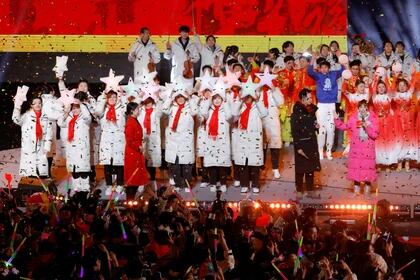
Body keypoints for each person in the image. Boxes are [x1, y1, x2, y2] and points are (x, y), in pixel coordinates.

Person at [334, 100, 379, 195]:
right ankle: (356, 190)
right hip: (356, 148)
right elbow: (344, 126)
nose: (362, 109)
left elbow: (374, 135)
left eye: (364, 107)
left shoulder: (373, 119)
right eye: (360, 107)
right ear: (358, 108)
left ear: (367, 107)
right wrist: (337, 120)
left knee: (367, 168)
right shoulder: (353, 118)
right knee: (356, 168)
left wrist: (367, 126)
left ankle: (367, 190)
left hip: (367, 148)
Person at [231, 77, 268, 194]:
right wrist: (240, 100)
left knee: (254, 164)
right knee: (244, 164)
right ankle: (245, 184)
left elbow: (264, 113)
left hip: (254, 140)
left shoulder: (256, 107)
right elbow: (233, 113)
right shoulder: (240, 107)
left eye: (249, 96)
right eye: (246, 96)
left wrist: (257, 100)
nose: (248, 99)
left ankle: (255, 184)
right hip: (242, 138)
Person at [162, 80, 199, 192]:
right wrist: (170, 97)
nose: (180, 99)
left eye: (182, 97)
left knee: (186, 164)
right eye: (178, 97)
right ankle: (178, 184)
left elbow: (195, 111)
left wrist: (190, 97)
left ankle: (187, 184)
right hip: (174, 140)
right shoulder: (172, 107)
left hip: (186, 140)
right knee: (176, 164)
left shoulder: (189, 107)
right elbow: (164, 109)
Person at [308, 58, 345, 160]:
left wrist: (340, 58)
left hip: (331, 105)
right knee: (321, 129)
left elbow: (343, 70)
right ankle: (320, 151)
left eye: (326, 67)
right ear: (319, 69)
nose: (324, 69)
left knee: (331, 129)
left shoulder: (333, 74)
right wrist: (313, 58)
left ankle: (328, 151)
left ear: (329, 68)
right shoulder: (318, 75)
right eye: (322, 67)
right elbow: (309, 71)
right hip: (321, 106)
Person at [199, 78, 232, 192]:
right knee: (212, 163)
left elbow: (229, 116)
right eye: (215, 98)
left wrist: (226, 101)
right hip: (211, 140)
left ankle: (223, 183)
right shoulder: (209, 110)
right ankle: (213, 183)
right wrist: (209, 100)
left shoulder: (225, 109)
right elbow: (202, 112)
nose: (217, 101)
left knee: (222, 163)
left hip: (222, 140)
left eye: (219, 98)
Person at [12, 92, 53, 177]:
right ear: (31, 105)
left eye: (39, 103)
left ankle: (41, 187)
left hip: (41, 146)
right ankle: (30, 189)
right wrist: (17, 107)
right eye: (35, 103)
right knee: (30, 172)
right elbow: (16, 120)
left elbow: (49, 132)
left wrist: (47, 146)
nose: (37, 105)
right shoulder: (27, 116)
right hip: (29, 146)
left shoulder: (45, 117)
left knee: (41, 171)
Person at [290, 89, 321, 198]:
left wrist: (316, 127)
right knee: (300, 168)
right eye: (309, 98)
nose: (311, 100)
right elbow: (294, 131)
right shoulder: (296, 113)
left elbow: (313, 123)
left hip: (311, 142)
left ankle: (310, 189)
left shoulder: (311, 110)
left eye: (311, 98)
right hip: (301, 144)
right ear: (303, 99)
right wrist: (298, 146)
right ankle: (299, 189)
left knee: (310, 168)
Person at [57, 98, 92, 196]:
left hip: (82, 149)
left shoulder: (84, 119)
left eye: (77, 108)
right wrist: (66, 111)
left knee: (83, 170)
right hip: (72, 149)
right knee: (75, 170)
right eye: (73, 108)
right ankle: (76, 189)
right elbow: (60, 122)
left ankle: (85, 189)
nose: (75, 110)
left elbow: (88, 116)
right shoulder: (68, 119)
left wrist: (81, 104)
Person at [257, 61, 285, 179]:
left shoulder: (275, 89)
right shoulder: (258, 90)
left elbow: (281, 102)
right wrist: (258, 87)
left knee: (275, 143)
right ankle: (261, 167)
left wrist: (273, 89)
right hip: (261, 120)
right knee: (261, 144)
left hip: (273, 120)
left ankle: (275, 168)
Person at [95, 90, 126, 195]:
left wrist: (123, 97)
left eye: (114, 97)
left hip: (119, 139)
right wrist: (103, 99)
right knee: (107, 163)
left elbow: (127, 109)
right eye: (110, 97)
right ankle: (109, 184)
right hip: (106, 140)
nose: (112, 99)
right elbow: (97, 111)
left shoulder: (121, 108)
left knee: (119, 163)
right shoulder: (104, 109)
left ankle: (120, 184)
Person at [371, 80, 401, 172]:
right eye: (379, 87)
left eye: (383, 87)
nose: (381, 88)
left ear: (385, 88)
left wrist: (385, 76)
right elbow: (372, 88)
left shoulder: (388, 97)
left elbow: (390, 88)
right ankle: (379, 163)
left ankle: (388, 164)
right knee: (378, 143)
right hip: (377, 122)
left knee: (388, 143)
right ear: (376, 88)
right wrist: (377, 76)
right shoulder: (374, 97)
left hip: (387, 122)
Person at [138, 90, 163, 188]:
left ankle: (152, 180)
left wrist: (159, 98)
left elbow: (161, 111)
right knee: (142, 160)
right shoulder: (140, 110)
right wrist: (140, 97)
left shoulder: (156, 111)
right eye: (146, 102)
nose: (148, 104)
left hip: (153, 138)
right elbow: (133, 107)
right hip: (143, 137)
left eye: (150, 102)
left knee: (151, 162)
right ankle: (142, 181)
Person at [124, 102, 149, 200]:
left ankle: (132, 199)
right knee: (133, 178)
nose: (139, 110)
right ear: (132, 111)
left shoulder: (134, 120)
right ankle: (130, 200)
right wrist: (138, 146)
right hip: (132, 153)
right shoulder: (130, 122)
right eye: (137, 109)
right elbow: (129, 140)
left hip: (136, 153)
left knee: (136, 178)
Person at [392, 77, 417, 171]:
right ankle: (399, 162)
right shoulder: (395, 95)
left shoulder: (409, 94)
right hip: (398, 120)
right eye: (400, 85)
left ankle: (407, 163)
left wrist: (413, 75)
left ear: (407, 87)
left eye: (404, 85)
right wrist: (395, 75)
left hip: (408, 120)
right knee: (399, 140)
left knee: (408, 140)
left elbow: (413, 85)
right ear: (397, 87)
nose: (402, 87)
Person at [164, 25, 199, 90]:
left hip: (188, 71)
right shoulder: (174, 44)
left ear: (188, 33)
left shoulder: (192, 44)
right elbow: (167, 57)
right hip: (177, 70)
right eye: (183, 32)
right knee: (176, 90)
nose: (185, 34)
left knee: (188, 89)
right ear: (180, 33)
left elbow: (197, 57)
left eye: (186, 32)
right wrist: (168, 49)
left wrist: (191, 59)